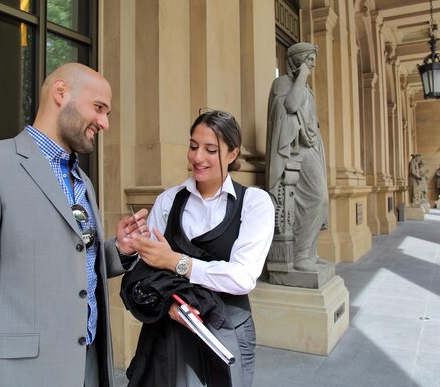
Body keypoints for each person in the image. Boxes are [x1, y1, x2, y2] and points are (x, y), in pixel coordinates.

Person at [0, 62, 149, 387]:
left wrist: (118, 250)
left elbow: (68, 262)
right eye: (99, 108)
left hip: (89, 367)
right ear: (61, 93)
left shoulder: (83, 181)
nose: (104, 122)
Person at [120, 109, 275, 387]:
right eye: (193, 146)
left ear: (232, 154)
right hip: (168, 332)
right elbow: (147, 272)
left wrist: (176, 262)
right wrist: (134, 249)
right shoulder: (168, 201)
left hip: (227, 330)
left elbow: (243, 277)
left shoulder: (254, 203)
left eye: (210, 149)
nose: (198, 157)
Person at [265, 42, 329, 272]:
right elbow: (290, 106)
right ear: (298, 60)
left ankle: (310, 252)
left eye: (313, 59)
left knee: (322, 201)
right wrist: (301, 76)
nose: (313, 64)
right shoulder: (283, 82)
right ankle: (300, 255)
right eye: (309, 59)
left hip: (312, 148)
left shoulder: (306, 88)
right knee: (316, 197)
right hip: (297, 150)